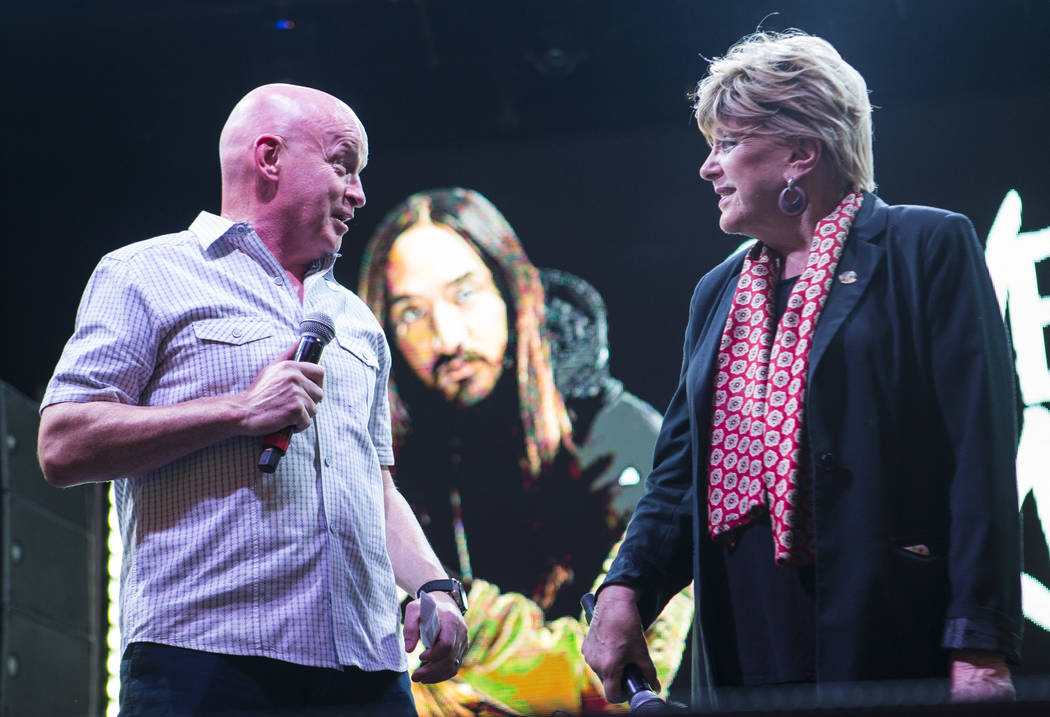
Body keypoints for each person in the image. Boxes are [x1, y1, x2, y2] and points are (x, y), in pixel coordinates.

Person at [581, 30, 1022, 709]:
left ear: (800, 152)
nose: (708, 168)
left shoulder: (925, 246)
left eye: (727, 143)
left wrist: (980, 640)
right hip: (746, 633)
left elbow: (979, 454)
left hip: (890, 634)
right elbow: (677, 475)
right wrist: (623, 589)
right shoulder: (716, 293)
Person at [37, 84, 467, 716]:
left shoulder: (357, 321)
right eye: (343, 165)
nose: (359, 192)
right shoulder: (146, 274)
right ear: (269, 157)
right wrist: (239, 411)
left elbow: (375, 486)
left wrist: (435, 584)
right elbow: (61, 443)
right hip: (203, 660)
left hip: (366, 669)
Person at [358, 187, 692, 715]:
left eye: (465, 294)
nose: (445, 338)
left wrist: (462, 619)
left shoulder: (620, 438)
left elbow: (614, 679)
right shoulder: (400, 461)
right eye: (410, 315)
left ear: (512, 293)